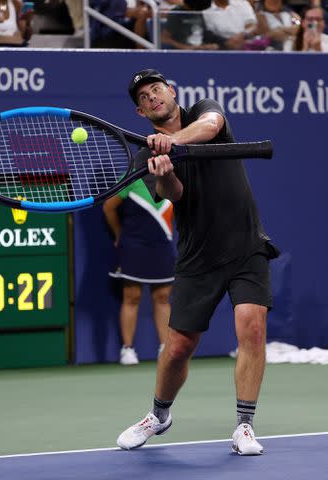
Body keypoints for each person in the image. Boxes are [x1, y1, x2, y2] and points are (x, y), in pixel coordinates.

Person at [117, 69, 280, 454]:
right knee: (177, 347)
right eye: (143, 97)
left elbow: (211, 125)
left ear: (172, 92)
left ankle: (244, 425)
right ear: (141, 113)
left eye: (156, 89)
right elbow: (175, 195)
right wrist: (166, 167)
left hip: (246, 245)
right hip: (197, 256)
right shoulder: (147, 153)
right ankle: (159, 415)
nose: (152, 96)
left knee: (252, 327)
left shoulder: (203, 112)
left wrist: (171, 142)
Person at [103, 179, 175, 365]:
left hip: (162, 245)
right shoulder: (132, 176)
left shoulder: (173, 176)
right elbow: (108, 207)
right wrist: (119, 234)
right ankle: (127, 349)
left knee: (162, 297)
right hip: (134, 246)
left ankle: (165, 348)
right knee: (132, 296)